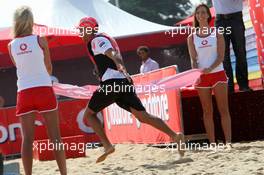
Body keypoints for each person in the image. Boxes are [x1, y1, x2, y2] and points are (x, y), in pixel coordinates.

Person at [77, 16, 185, 163]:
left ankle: (107, 145)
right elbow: (110, 55)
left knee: (89, 115)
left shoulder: (96, 40)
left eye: (82, 29)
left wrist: (119, 65)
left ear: (90, 28)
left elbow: (111, 53)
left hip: (112, 83)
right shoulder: (101, 39)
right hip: (123, 82)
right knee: (143, 116)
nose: (81, 33)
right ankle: (175, 135)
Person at [7, 6, 67, 175]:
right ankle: (63, 173)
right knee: (55, 136)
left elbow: (20, 67)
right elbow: (49, 69)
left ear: (16, 22)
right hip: (43, 89)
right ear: (31, 21)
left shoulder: (11, 45)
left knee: (27, 139)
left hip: (24, 92)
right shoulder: (40, 40)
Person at [187, 4, 232, 145]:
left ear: (208, 15)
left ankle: (228, 142)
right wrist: (197, 70)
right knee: (207, 111)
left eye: (203, 12)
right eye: (198, 13)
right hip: (202, 78)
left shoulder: (217, 33)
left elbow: (221, 56)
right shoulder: (191, 37)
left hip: (218, 74)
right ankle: (212, 143)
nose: (201, 15)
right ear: (196, 16)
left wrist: (210, 68)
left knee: (223, 109)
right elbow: (193, 60)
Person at [213, 0, 252, 92]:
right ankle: (228, 86)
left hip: (236, 18)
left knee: (240, 52)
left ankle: (243, 85)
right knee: (223, 55)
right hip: (220, 20)